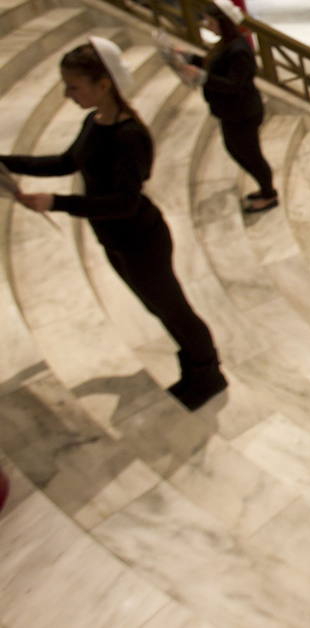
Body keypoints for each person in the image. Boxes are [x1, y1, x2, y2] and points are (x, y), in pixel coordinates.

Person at [3, 40, 227, 409]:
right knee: (159, 306)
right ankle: (194, 362)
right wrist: (7, 162)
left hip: (141, 238)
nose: (67, 94)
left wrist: (57, 202)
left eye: (74, 86)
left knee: (173, 308)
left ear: (103, 84)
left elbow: (124, 203)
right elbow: (65, 162)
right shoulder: (95, 121)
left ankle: (208, 372)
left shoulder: (129, 136)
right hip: (115, 237)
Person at [170, 0, 276, 213]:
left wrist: (201, 77)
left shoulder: (238, 50)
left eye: (210, 21)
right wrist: (191, 58)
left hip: (242, 112)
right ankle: (265, 189)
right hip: (231, 112)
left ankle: (268, 194)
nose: (206, 25)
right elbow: (215, 64)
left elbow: (234, 84)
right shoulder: (225, 44)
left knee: (250, 154)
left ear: (222, 22)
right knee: (236, 150)